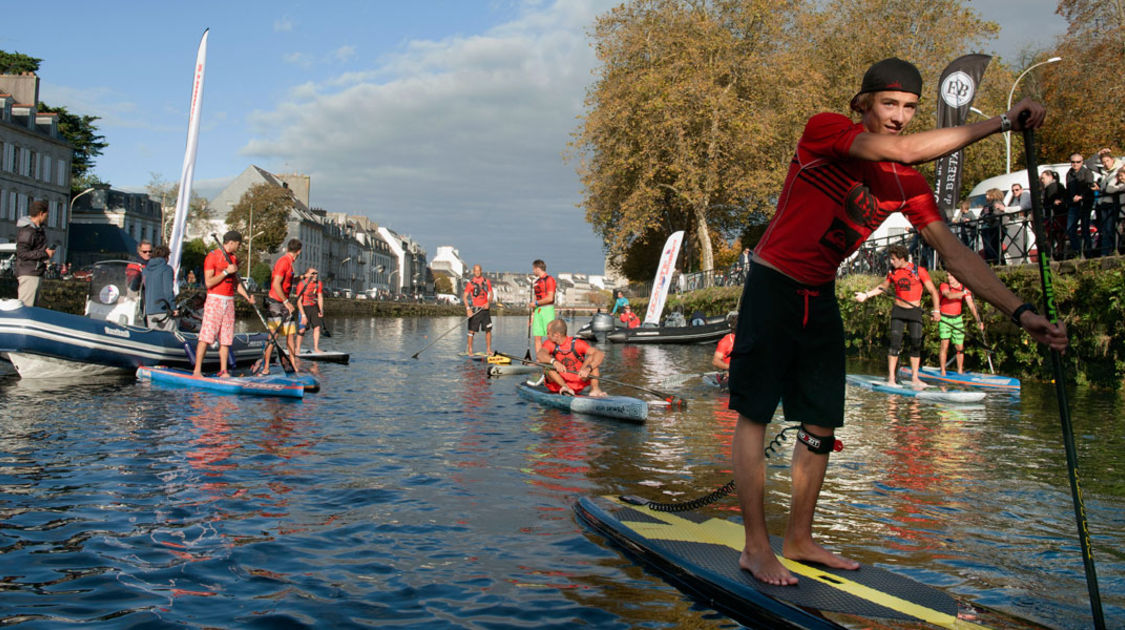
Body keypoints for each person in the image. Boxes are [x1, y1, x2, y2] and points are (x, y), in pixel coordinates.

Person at [727, 57, 1066, 587]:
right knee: (755, 414)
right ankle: (754, 546)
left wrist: (1023, 315)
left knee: (820, 421)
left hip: (821, 294)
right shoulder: (826, 131)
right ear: (863, 105)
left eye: (909, 107)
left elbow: (957, 256)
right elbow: (904, 148)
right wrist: (1001, 121)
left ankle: (799, 538)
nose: (900, 116)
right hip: (772, 285)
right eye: (890, 104)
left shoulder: (907, 185)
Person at [855, 244, 940, 386]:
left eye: (893, 259)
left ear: (902, 258)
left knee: (916, 344)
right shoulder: (893, 272)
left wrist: (936, 310)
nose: (891, 262)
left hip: (914, 311)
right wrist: (866, 295)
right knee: (894, 344)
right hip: (898, 311)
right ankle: (891, 379)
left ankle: (914, 378)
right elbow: (883, 287)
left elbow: (933, 291)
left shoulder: (919, 271)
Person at [192, 231, 256, 378]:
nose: (239, 248)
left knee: (226, 339)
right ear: (231, 242)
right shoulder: (212, 256)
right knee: (206, 336)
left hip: (229, 301)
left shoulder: (233, 259)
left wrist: (248, 297)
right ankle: (197, 370)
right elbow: (209, 282)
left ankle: (223, 370)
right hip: (215, 299)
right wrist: (226, 272)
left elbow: (236, 284)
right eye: (238, 245)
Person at [260, 239, 302, 375]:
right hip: (276, 304)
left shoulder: (290, 263)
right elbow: (276, 284)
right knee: (273, 336)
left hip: (285, 304)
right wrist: (286, 302)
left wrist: (302, 277)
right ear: (299, 251)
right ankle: (266, 367)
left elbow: (287, 281)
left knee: (291, 335)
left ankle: (293, 366)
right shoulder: (283, 262)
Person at [537, 318, 606, 397]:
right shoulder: (549, 343)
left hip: (579, 381)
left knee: (592, 359)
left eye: (548, 333)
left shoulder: (577, 343)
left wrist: (588, 368)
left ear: (557, 335)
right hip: (558, 385)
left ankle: (595, 389)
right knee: (546, 364)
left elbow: (600, 354)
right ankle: (565, 388)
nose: (547, 335)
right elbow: (540, 354)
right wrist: (554, 362)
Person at [936, 272, 983, 375]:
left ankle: (960, 371)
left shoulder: (963, 288)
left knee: (959, 347)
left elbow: (971, 306)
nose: (949, 278)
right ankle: (943, 371)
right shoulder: (945, 285)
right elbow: (948, 296)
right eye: (948, 276)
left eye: (951, 276)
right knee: (945, 344)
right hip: (944, 319)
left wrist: (978, 320)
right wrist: (964, 293)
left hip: (957, 319)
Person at [14, 201, 55, 307]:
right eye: (47, 214)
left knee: (31, 307)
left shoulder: (36, 230)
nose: (47, 217)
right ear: (41, 213)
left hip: (34, 272)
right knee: (26, 308)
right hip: (29, 272)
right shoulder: (28, 231)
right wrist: (45, 254)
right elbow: (22, 253)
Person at [1065, 152, 1096, 257]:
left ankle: (1088, 252)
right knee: (1070, 229)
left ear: (1082, 162)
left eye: (1078, 162)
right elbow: (1068, 189)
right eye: (1073, 162)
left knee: (1085, 229)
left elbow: (1089, 187)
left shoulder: (1087, 172)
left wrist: (1081, 196)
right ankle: (1078, 251)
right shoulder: (1069, 173)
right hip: (1073, 205)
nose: (1075, 164)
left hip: (1085, 204)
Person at [142, 245, 177, 331]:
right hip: (164, 310)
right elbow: (168, 291)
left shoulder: (146, 270)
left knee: (153, 338)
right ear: (166, 257)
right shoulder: (166, 269)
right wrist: (173, 307)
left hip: (149, 310)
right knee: (169, 338)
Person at [1094, 149, 1122, 257]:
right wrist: (1098, 153)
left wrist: (1100, 189)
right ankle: (1105, 251)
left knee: (1110, 228)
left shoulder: (1117, 171)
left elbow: (1110, 189)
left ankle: (1111, 251)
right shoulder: (1104, 172)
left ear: (1112, 160)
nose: (1105, 164)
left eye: (1107, 161)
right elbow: (1089, 164)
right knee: (1105, 229)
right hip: (1103, 203)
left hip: (1112, 203)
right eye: (1103, 162)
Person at [463, 264, 494, 355]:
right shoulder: (470, 283)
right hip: (475, 310)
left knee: (488, 330)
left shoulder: (486, 282)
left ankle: (488, 350)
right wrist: (468, 309)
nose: (477, 272)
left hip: (485, 310)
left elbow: (491, 294)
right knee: (471, 331)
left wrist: (489, 302)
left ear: (481, 271)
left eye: (479, 270)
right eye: (475, 270)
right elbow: (464, 297)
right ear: (473, 271)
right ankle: (470, 350)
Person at [295, 266, 325, 354]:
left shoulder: (318, 284)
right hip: (304, 307)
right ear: (307, 275)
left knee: (317, 327)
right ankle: (297, 349)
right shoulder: (302, 284)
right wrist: (303, 315)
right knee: (302, 329)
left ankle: (316, 348)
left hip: (314, 307)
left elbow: (320, 297)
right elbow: (298, 301)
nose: (315, 275)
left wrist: (321, 310)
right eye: (313, 273)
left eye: (316, 273)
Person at [529, 259, 556, 355]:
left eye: (533, 269)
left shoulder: (550, 280)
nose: (533, 271)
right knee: (537, 336)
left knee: (551, 336)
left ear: (537, 268)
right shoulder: (536, 282)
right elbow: (536, 297)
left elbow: (550, 298)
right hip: (538, 310)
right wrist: (533, 314)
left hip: (547, 309)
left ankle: (552, 358)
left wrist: (536, 303)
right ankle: (539, 359)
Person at [1041, 170, 1068, 258]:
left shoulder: (1053, 186)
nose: (1042, 180)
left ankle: (1057, 253)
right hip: (1056, 214)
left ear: (1050, 177)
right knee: (1056, 235)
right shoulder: (1053, 186)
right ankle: (1057, 253)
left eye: (1043, 178)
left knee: (1057, 234)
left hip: (1057, 214)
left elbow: (1051, 200)